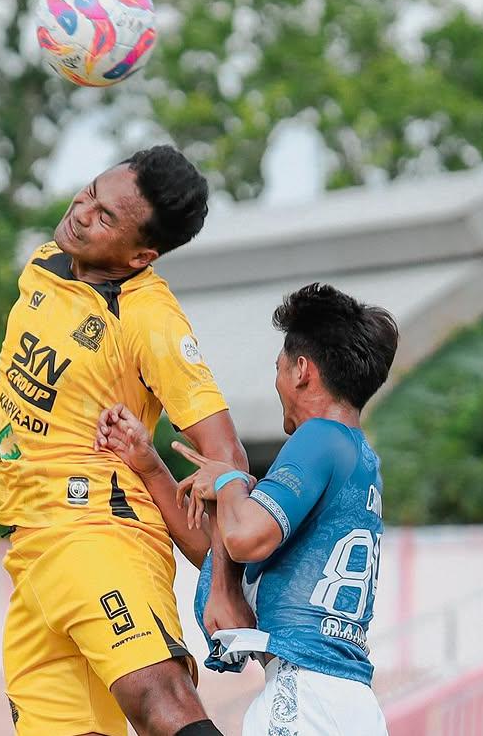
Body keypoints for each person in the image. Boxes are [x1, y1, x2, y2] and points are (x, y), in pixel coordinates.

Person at [0, 145, 251, 736]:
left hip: (100, 532)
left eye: (105, 217)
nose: (81, 211)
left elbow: (225, 455)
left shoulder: (150, 319)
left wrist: (222, 579)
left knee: (160, 701)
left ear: (141, 255)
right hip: (31, 555)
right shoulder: (47, 262)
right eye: (90, 192)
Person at [98, 283, 398, 734]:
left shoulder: (318, 438)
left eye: (277, 368)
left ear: (301, 371)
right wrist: (151, 465)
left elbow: (243, 536)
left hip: (305, 698)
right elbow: (221, 552)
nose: (276, 382)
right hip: (350, 704)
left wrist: (232, 478)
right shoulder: (359, 460)